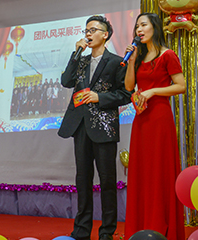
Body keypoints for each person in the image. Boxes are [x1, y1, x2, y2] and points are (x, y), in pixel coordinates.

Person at [58, 15, 132, 240]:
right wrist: (75, 54)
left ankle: (107, 232)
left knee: (107, 181)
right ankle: (81, 231)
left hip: (104, 126)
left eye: (93, 30)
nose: (88, 34)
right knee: (83, 179)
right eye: (86, 30)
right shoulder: (80, 60)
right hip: (80, 125)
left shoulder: (117, 61)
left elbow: (125, 94)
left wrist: (100, 97)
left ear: (105, 34)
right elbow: (66, 81)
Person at [123, 13, 186, 240]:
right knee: (142, 172)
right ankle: (140, 227)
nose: (139, 30)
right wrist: (132, 61)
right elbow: (129, 87)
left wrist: (153, 91)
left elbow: (181, 86)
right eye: (137, 26)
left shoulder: (167, 55)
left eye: (143, 25)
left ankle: (161, 227)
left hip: (160, 118)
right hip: (141, 119)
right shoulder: (138, 56)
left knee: (159, 171)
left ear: (154, 27)